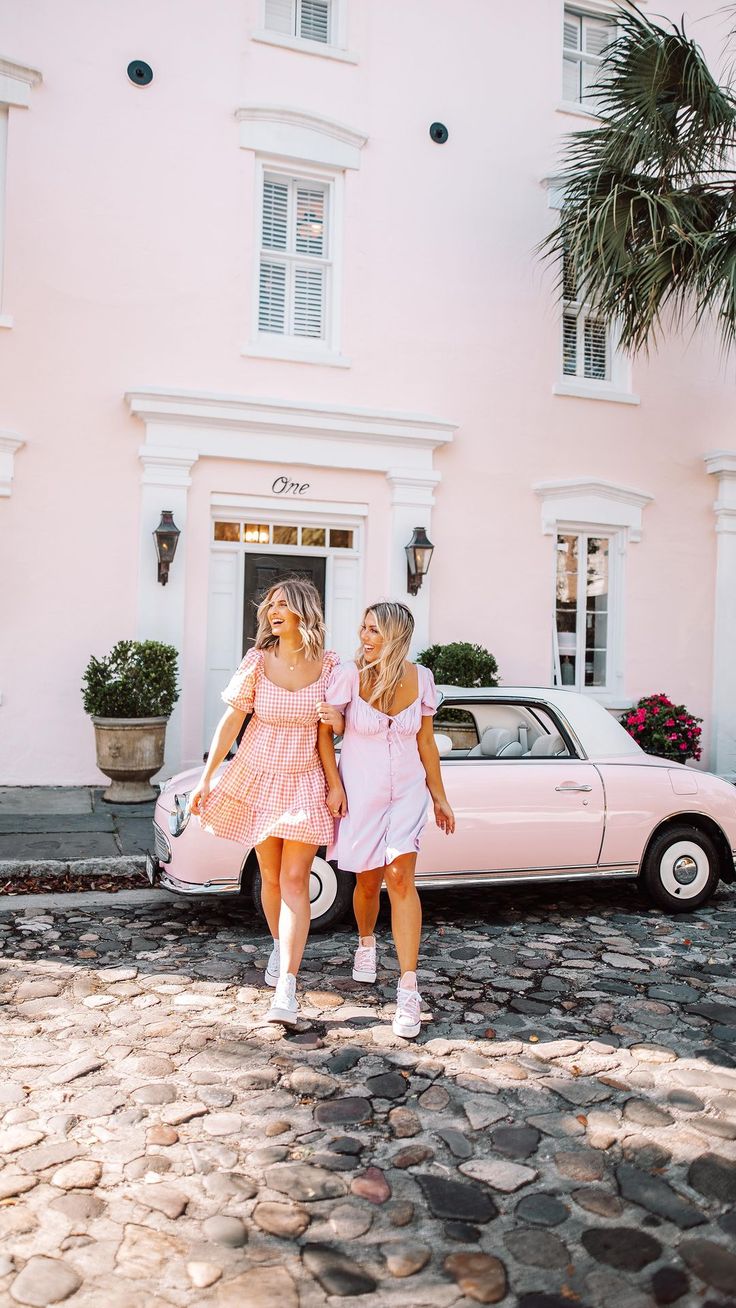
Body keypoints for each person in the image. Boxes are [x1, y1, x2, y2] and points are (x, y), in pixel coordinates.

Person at [189, 577, 345, 1027]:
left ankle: (287, 988)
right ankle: (280, 947)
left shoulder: (330, 665)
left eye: (282, 605)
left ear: (303, 611)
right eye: (269, 606)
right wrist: (206, 777)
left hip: (304, 780)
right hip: (257, 777)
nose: (272, 612)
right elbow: (230, 723)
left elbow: (328, 735)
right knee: (271, 877)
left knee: (297, 879)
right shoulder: (257, 661)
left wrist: (335, 780)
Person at [322, 601, 455, 1038]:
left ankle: (408, 988)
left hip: (408, 793)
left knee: (399, 878)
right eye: (363, 628)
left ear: (395, 635)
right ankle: (365, 942)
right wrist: (335, 787)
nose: (365, 636)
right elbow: (326, 734)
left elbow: (427, 744)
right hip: (362, 792)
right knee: (366, 882)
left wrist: (440, 797)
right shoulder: (350, 677)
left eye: (374, 630)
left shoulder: (422, 679)